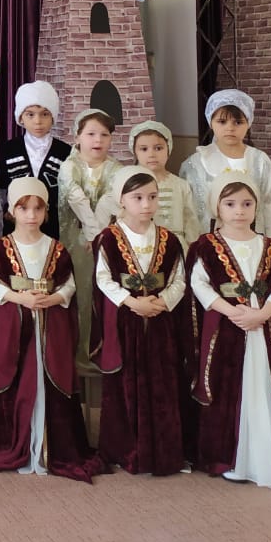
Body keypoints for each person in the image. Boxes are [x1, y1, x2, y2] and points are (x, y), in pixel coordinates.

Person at [188, 172, 271, 488]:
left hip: (264, 332)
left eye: (246, 204)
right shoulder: (205, 247)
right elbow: (199, 284)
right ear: (217, 207)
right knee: (229, 388)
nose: (239, 211)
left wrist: (262, 314)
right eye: (230, 204)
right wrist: (232, 311)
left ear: (256, 206)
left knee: (265, 384)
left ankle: (268, 456)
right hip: (226, 332)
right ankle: (230, 458)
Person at [0, 178, 100, 483]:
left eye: (38, 208)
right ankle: (20, 445)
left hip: (50, 328)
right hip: (17, 326)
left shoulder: (57, 249)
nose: (31, 215)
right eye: (24, 208)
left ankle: (55, 446)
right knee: (20, 378)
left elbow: (69, 285)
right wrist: (20, 298)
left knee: (49, 380)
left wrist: (54, 298)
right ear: (12, 211)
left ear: (46, 212)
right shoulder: (1, 248)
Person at [90, 166, 188, 476]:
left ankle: (163, 448)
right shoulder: (108, 238)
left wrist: (162, 302)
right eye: (138, 197)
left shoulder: (169, 239)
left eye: (152, 197)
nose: (146, 204)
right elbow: (103, 279)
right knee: (125, 382)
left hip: (159, 322)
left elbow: (179, 279)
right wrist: (133, 302)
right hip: (125, 322)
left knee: (162, 381)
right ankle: (125, 447)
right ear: (121, 200)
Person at [181, 90, 271, 252]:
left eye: (238, 122)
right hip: (211, 246)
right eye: (222, 121)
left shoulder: (259, 161)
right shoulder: (195, 164)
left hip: (254, 244)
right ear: (210, 122)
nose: (230, 128)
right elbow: (189, 212)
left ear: (249, 123)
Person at [57, 108, 122, 363]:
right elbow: (77, 199)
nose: (98, 140)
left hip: (107, 242)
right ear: (77, 137)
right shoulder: (69, 166)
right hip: (74, 242)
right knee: (79, 294)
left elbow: (111, 202)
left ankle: (103, 351)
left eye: (104, 134)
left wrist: (99, 237)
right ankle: (77, 353)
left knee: (104, 292)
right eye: (91, 134)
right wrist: (93, 235)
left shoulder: (116, 169)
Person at [0, 80, 68, 240]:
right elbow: (1, 192)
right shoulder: (9, 149)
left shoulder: (64, 151)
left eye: (45, 114)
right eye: (30, 114)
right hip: (15, 227)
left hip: (51, 227)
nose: (38, 121)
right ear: (20, 117)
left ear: (53, 116)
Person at [123, 120, 203, 248]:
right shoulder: (128, 186)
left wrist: (193, 247)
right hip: (141, 246)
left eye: (158, 148)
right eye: (144, 149)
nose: (151, 154)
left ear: (168, 148)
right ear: (135, 152)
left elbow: (190, 219)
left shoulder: (181, 185)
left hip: (176, 247)